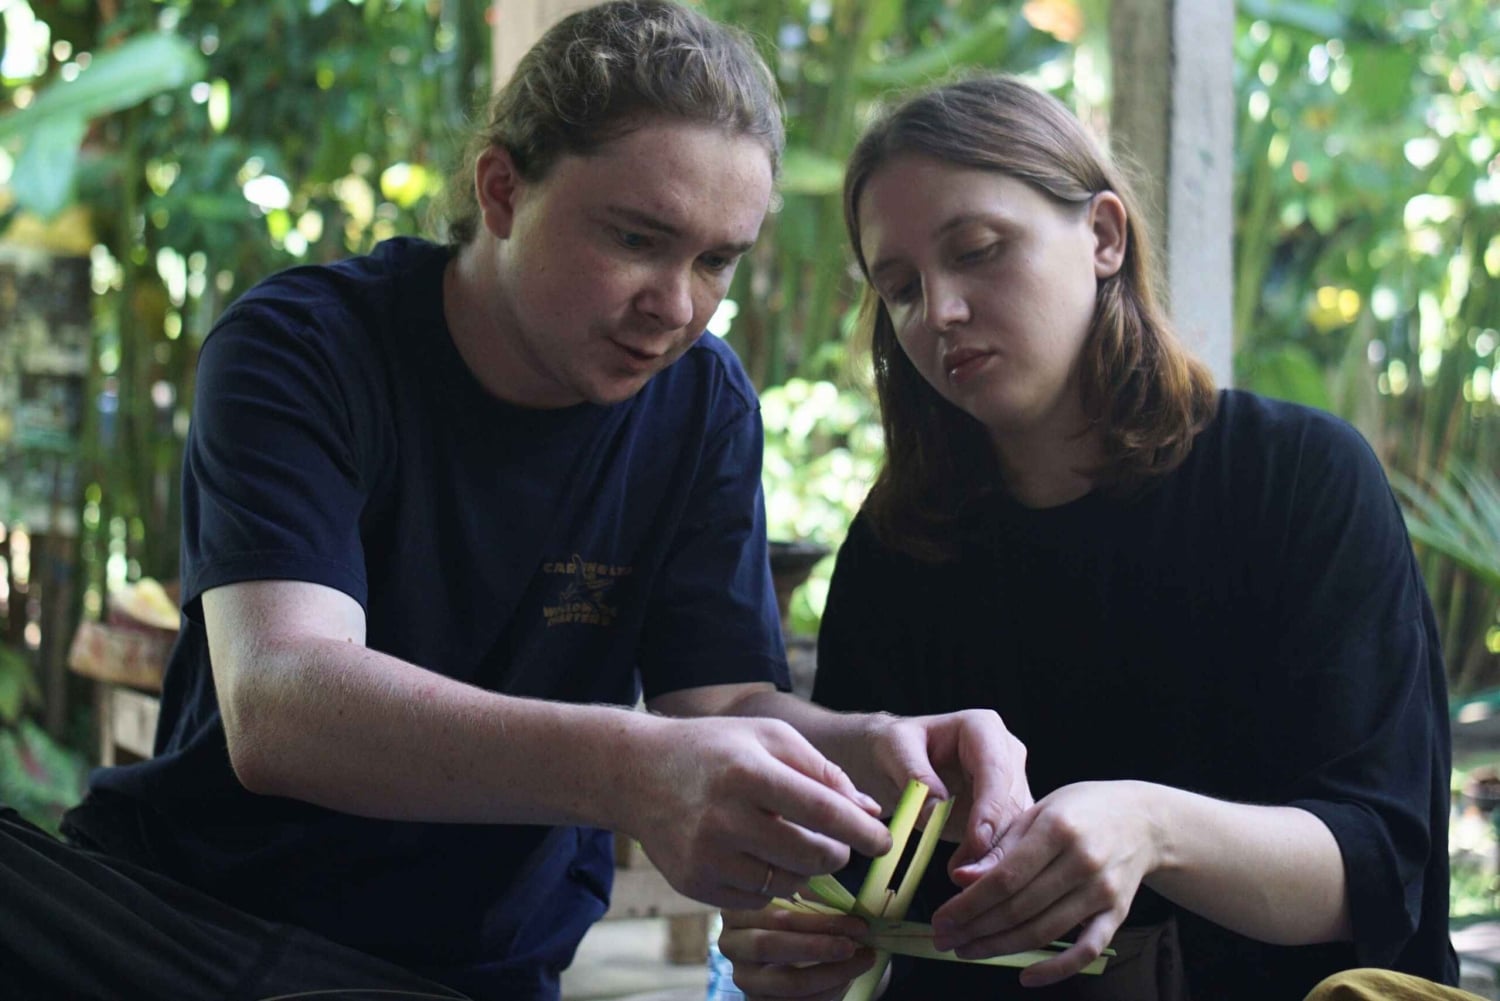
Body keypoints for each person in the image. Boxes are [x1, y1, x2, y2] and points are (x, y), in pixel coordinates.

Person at [0, 7, 1031, 1000]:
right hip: (184, 919)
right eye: (636, 237)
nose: (676, 305)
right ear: (501, 190)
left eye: (716, 259)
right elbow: (282, 702)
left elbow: (718, 706)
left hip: (457, 970)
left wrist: (883, 745)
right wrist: (632, 769)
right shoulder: (305, 347)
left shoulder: (702, 404)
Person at [717, 74, 1458, 1001]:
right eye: (899, 288)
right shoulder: (901, 542)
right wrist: (799, 943)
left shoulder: (1296, 478)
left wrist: (1149, 828)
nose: (940, 311)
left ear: (1105, 235)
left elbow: (1378, 870)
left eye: (980, 251)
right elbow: (868, 878)